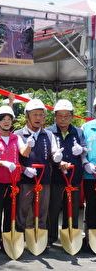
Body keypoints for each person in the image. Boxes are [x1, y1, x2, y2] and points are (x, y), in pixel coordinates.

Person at [14, 99, 61, 235]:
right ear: (27, 116)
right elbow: (14, 159)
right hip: (25, 179)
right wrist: (24, 169)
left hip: (44, 178)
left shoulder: (49, 134)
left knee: (42, 210)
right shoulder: (18, 134)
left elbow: (54, 153)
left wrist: (58, 157)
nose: (38, 118)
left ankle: (39, 237)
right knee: (23, 209)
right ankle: (20, 237)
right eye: (35, 114)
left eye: (41, 115)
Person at [47, 99, 85, 247]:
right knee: (54, 208)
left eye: (67, 116)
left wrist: (82, 149)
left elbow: (83, 150)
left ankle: (70, 236)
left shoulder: (78, 132)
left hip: (74, 178)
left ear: (72, 117)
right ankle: (51, 237)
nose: (63, 119)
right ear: (55, 116)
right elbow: (47, 155)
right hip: (56, 178)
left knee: (73, 209)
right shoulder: (49, 132)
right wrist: (57, 162)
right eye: (60, 116)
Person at [0, 105, 25, 253]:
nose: (6, 122)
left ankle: (7, 240)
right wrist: (2, 163)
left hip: (14, 182)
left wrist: (29, 145)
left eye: (9, 119)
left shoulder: (16, 137)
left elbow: (24, 152)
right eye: (3, 119)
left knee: (11, 213)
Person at [82, 97, 96, 244]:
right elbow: (80, 150)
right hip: (90, 175)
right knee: (91, 206)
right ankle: (90, 240)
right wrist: (86, 162)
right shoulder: (86, 128)